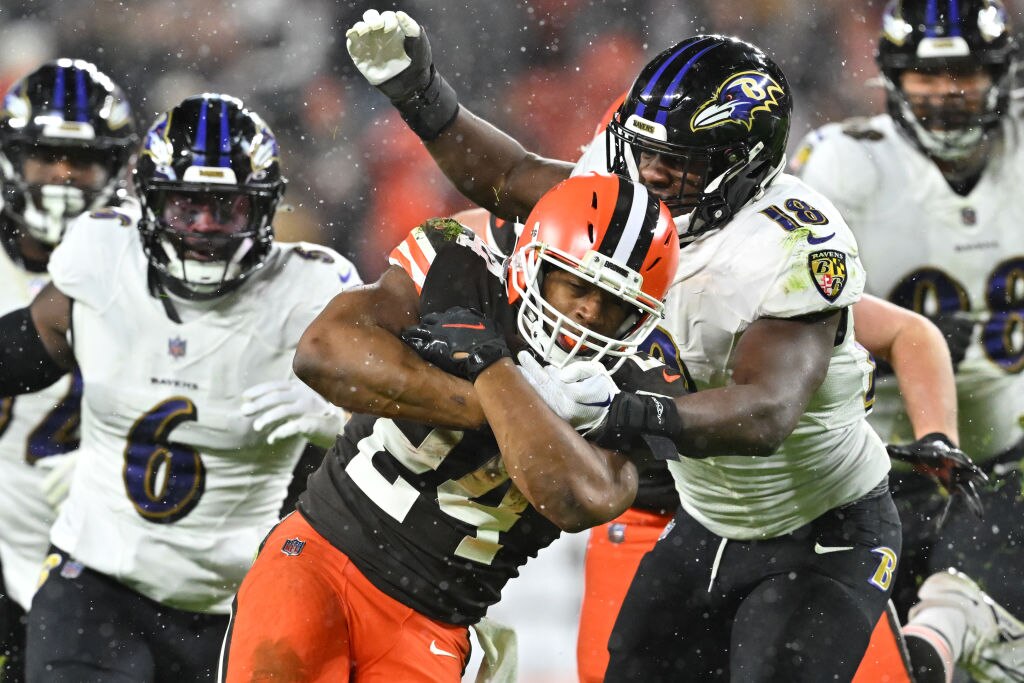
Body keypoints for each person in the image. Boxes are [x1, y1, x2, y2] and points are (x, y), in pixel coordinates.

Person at [345, 11, 992, 679]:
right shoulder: (633, 181)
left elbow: (766, 412)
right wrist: (423, 96)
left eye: (679, 165)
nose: (651, 175)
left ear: (746, 163)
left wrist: (620, 414)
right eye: (645, 153)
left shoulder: (789, 242)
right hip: (708, 521)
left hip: (821, 528)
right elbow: (512, 179)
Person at [219, 172, 684, 681]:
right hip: (320, 556)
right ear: (535, 261)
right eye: (577, 285)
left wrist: (492, 368)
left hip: (433, 622)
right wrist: (511, 403)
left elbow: (576, 499)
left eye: (617, 304)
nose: (590, 312)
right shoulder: (462, 269)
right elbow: (323, 353)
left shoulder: (645, 378)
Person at [0, 92, 360, 682]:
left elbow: (406, 419)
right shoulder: (101, 255)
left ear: (264, 209)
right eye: (186, 206)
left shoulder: (310, 292)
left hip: (238, 603)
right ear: (147, 203)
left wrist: (345, 418)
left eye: (227, 208)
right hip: (96, 587)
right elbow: (24, 348)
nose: (203, 229)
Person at [794, 0, 1024, 645]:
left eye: (967, 75)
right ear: (894, 78)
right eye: (928, 77)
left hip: (1007, 462)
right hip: (870, 472)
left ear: (1001, 74)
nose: (948, 96)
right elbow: (784, 301)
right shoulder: (848, 163)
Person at [0, 58, 137, 681]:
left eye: (80, 161)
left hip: (123, 548)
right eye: (45, 155)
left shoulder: (150, 263)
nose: (61, 175)